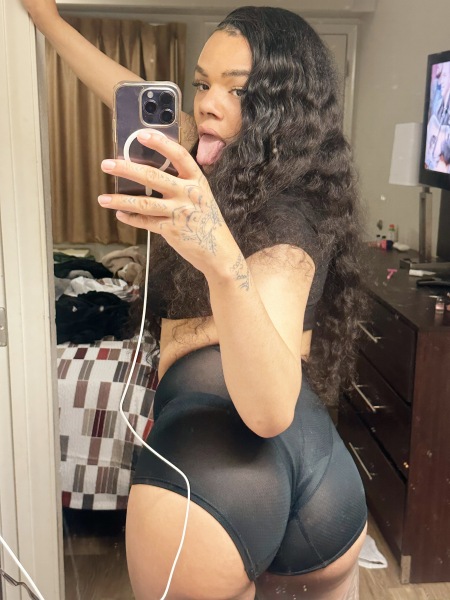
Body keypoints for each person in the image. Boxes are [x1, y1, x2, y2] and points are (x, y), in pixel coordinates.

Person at [22, 2, 368, 599]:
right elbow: (127, 96)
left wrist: (221, 262)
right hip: (323, 482)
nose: (207, 103)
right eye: (203, 83)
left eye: (237, 90)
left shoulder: (287, 222)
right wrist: (49, 21)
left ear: (284, 107)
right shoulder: (232, 166)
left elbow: (268, 413)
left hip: (213, 471)